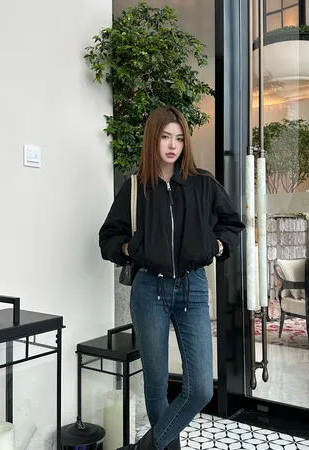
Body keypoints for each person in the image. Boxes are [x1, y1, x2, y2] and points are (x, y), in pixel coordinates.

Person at [99, 106, 245, 450]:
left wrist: (216, 245)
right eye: (165, 137)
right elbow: (108, 238)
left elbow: (232, 224)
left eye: (179, 138)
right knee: (155, 385)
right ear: (153, 139)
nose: (172, 145)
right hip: (149, 290)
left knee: (201, 388)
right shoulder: (135, 187)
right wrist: (131, 248)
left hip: (193, 288)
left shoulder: (203, 184)